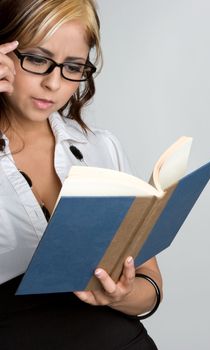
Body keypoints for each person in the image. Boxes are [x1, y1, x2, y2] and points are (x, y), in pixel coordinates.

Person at [0, 0, 163, 349]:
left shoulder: (101, 147)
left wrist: (119, 295)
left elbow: (150, 285)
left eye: (73, 66)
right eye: (38, 60)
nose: (54, 83)